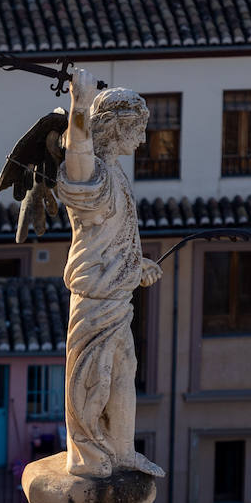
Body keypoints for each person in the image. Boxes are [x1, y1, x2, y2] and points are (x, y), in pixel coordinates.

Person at [53, 69, 164, 478]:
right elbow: (76, 161)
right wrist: (78, 110)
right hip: (95, 302)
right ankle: (87, 452)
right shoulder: (93, 174)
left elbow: (114, 241)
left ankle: (122, 450)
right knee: (92, 379)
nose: (142, 138)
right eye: (136, 129)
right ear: (115, 127)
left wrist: (138, 268)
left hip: (116, 298)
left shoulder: (115, 172)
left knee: (123, 372)